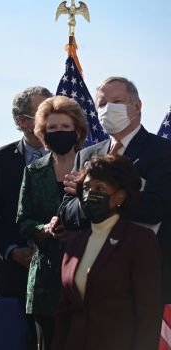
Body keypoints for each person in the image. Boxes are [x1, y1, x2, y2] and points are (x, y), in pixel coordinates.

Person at [58, 76, 171, 304]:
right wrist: (92, 202)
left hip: (143, 274)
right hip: (94, 274)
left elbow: (156, 207)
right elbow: (67, 212)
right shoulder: (87, 155)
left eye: (116, 101)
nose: (107, 109)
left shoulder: (162, 152)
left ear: (136, 106)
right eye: (101, 104)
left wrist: (104, 200)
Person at [53, 155, 162, 350]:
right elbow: (65, 312)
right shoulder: (75, 243)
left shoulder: (139, 240)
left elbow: (148, 313)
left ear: (119, 196)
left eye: (100, 189)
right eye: (86, 188)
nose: (90, 195)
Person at [0, 86, 52, 349]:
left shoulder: (72, 157)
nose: (52, 117)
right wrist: (13, 251)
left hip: (57, 274)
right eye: (44, 111)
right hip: (11, 274)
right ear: (22, 121)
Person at [16, 95, 87, 350]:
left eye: (65, 127)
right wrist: (44, 229)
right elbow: (23, 220)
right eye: (52, 128)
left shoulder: (91, 167)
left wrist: (77, 231)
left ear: (77, 130)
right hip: (45, 280)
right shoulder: (34, 171)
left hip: (87, 273)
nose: (59, 133)